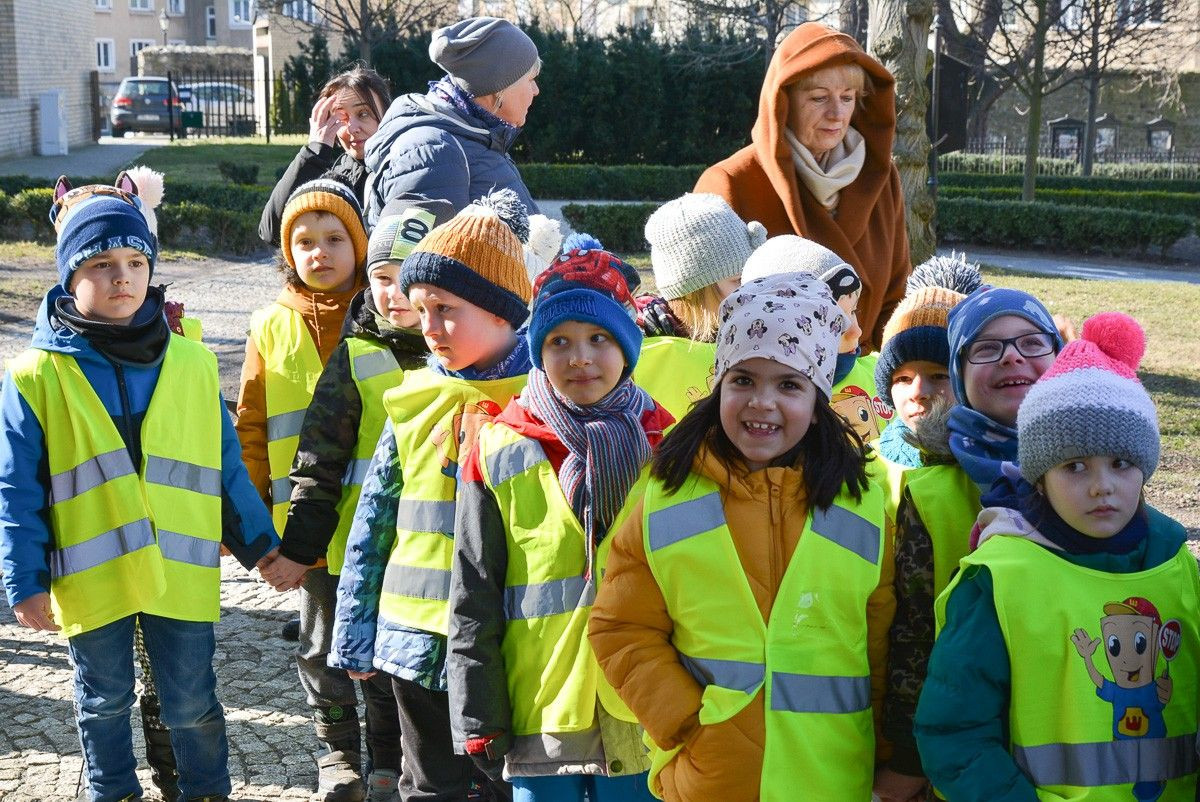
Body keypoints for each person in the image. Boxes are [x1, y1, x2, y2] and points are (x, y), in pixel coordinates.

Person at [0, 179, 279, 802]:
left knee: (192, 704)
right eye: (100, 265)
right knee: (102, 703)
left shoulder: (192, 361)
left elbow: (224, 466)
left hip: (178, 571)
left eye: (134, 262)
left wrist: (262, 543)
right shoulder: (34, 375)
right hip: (89, 575)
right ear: (68, 276)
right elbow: (16, 490)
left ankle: (207, 791)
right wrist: (24, 582)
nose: (121, 278)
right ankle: (114, 792)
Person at [589, 274, 895, 801]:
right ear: (718, 385)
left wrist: (888, 757)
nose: (762, 402)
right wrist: (689, 723)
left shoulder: (863, 501)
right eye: (744, 380)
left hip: (833, 777)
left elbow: (881, 644)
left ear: (820, 396)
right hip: (713, 777)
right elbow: (621, 627)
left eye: (789, 384)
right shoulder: (667, 495)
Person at [915, 312, 1200, 801]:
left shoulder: (1179, 566)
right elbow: (955, 733)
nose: (1101, 486)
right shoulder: (998, 579)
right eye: (1074, 466)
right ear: (1038, 476)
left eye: (1122, 463)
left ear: (1146, 468)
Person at [446, 247, 671, 802]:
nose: (580, 358)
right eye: (559, 341)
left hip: (645, 711)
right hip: (542, 712)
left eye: (599, 338)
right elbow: (472, 594)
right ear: (537, 351)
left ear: (628, 347)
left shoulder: (669, 445)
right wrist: (477, 717)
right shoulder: (498, 447)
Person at [330, 199, 534, 801]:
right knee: (429, 784)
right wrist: (357, 628)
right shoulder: (412, 397)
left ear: (501, 312)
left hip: (505, 638)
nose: (429, 327)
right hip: (413, 637)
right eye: (421, 310)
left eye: (447, 310)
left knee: (504, 781)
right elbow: (376, 519)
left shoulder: (538, 399)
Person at [258, 195, 453, 802]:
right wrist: (299, 548)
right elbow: (318, 463)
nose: (394, 294)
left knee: (415, 672)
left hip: (430, 557)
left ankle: (414, 768)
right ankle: (361, 761)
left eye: (408, 280)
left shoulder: (456, 355)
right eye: (382, 279)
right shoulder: (355, 357)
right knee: (355, 663)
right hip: (352, 555)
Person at [877, 285, 1063, 801]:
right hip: (965, 760)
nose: (1010, 356)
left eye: (1030, 343)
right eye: (985, 348)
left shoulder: (1107, 471)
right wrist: (906, 762)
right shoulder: (932, 494)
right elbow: (912, 644)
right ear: (959, 378)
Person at [235, 176, 369, 799]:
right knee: (319, 641)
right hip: (306, 525)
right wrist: (256, 530)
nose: (320, 252)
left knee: (385, 642)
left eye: (335, 238)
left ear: (359, 244)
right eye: (305, 241)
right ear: (288, 252)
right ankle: (337, 751)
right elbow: (253, 430)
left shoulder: (387, 318)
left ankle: (393, 753)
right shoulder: (269, 325)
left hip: (381, 522)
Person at [694, 22, 910, 348]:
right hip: (770, 383)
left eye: (848, 97)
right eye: (819, 98)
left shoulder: (880, 178)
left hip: (862, 386)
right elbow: (706, 311)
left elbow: (896, 296)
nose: (837, 113)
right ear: (784, 102)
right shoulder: (730, 182)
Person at [364, 17, 541, 225]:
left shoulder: (477, 135)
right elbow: (427, 256)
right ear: (498, 88)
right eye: (530, 80)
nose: (536, 90)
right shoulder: (433, 150)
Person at [741, 234, 893, 442]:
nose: (856, 332)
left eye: (854, 312)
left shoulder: (886, 379)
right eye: (835, 322)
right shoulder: (763, 411)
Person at [632, 194, 766, 422]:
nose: (751, 290)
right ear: (694, 291)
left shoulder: (757, 328)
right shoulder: (637, 345)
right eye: (738, 280)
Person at [867, 254, 981, 517]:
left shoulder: (998, 465)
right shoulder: (867, 466)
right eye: (903, 379)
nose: (918, 392)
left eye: (939, 376)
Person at [260, 66, 393, 247]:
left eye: (363, 114)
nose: (352, 128)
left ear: (388, 116)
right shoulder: (337, 174)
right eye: (342, 118)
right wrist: (315, 152)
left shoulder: (404, 167)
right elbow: (272, 232)